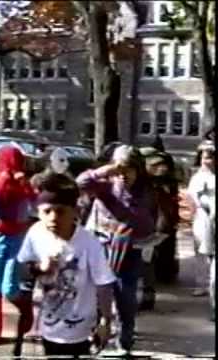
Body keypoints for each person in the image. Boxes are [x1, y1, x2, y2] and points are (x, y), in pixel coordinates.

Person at [17, 173, 116, 358]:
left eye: (60, 211)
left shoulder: (89, 243)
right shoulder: (36, 233)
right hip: (46, 324)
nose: (53, 218)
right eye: (47, 211)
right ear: (38, 212)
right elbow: (22, 267)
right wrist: (39, 267)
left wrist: (105, 321)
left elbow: (104, 283)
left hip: (80, 328)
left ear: (74, 212)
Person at [76, 145, 156, 353]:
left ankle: (124, 342)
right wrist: (106, 170)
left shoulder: (145, 191)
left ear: (138, 170)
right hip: (100, 247)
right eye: (120, 169)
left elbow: (147, 221)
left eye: (129, 169)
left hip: (129, 251)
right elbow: (81, 182)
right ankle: (95, 336)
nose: (123, 174)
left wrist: (133, 231)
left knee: (125, 298)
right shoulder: (107, 186)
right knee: (95, 294)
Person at [0, 146, 35, 344]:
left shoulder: (24, 190)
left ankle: (25, 308)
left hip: (18, 239)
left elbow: (36, 208)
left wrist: (25, 185)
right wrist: (2, 181)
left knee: (10, 287)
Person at [138, 147, 180, 310]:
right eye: (154, 165)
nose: (160, 169)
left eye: (161, 165)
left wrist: (161, 229)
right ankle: (144, 296)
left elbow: (166, 208)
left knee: (148, 262)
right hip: (145, 228)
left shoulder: (163, 184)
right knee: (144, 263)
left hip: (155, 230)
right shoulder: (141, 184)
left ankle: (148, 297)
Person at [185, 140, 215, 306]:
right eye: (204, 158)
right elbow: (191, 197)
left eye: (209, 158)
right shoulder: (197, 177)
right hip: (201, 217)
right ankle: (201, 283)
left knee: (212, 252)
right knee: (200, 250)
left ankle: (212, 283)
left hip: (213, 217)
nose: (206, 161)